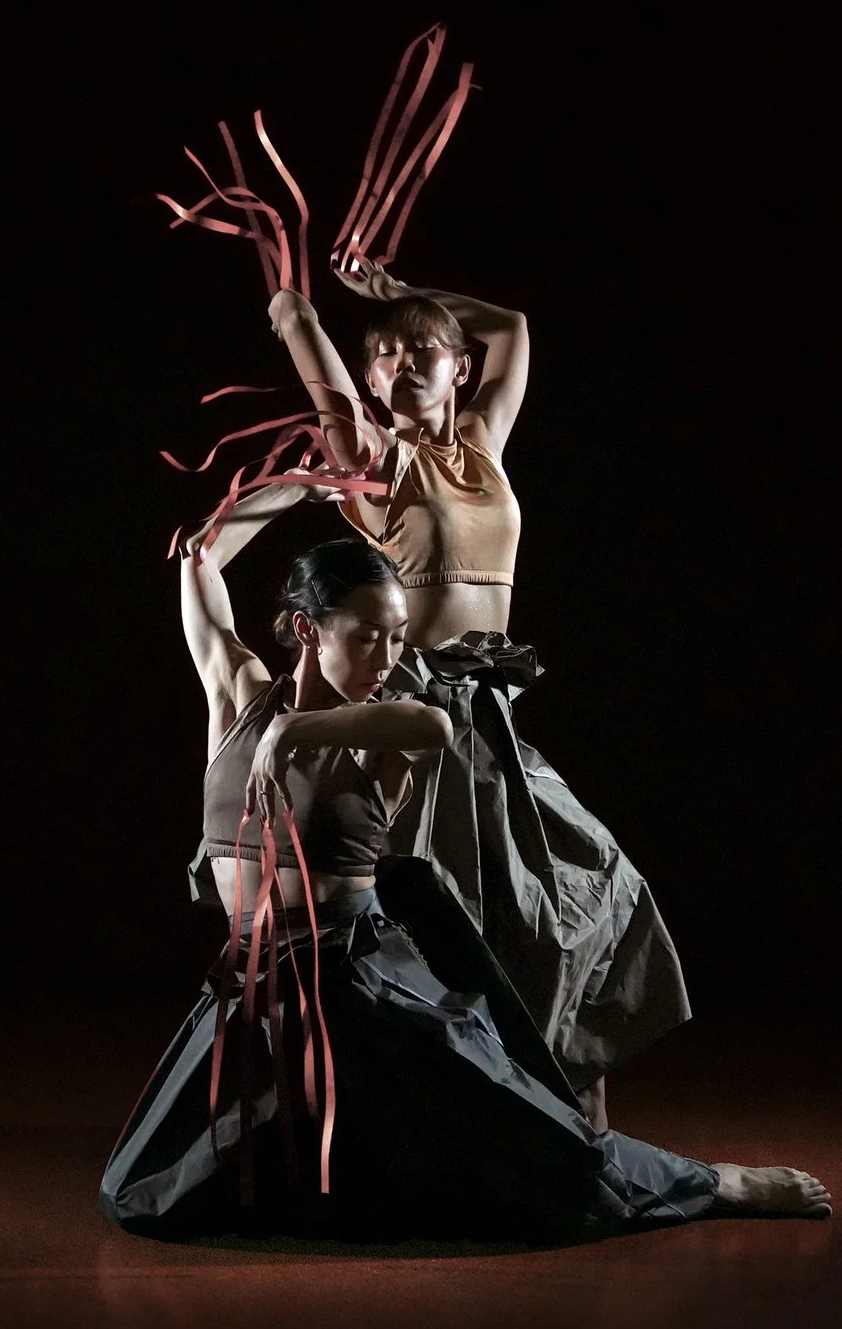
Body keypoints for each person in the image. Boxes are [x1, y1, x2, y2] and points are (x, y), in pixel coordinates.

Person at [97, 535, 829, 1240]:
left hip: (360, 990)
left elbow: (433, 727)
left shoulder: (378, 732)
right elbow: (199, 563)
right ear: (304, 628)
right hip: (256, 992)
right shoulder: (237, 699)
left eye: (396, 637)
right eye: (366, 637)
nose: (387, 658)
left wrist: (293, 735)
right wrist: (294, 487)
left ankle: (717, 1182)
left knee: (555, 1162)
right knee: (140, 1192)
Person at [256, 266, 687, 1130]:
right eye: (382, 354)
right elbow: (329, 384)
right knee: (479, 918)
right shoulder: (379, 460)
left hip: (490, 707)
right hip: (426, 713)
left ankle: (570, 1111)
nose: (401, 361)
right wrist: (299, 318)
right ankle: (499, 1118)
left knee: (588, 890)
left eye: (423, 349)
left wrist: (401, 289)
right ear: (370, 380)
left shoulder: (482, 445)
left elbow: (515, 327)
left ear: (458, 365)